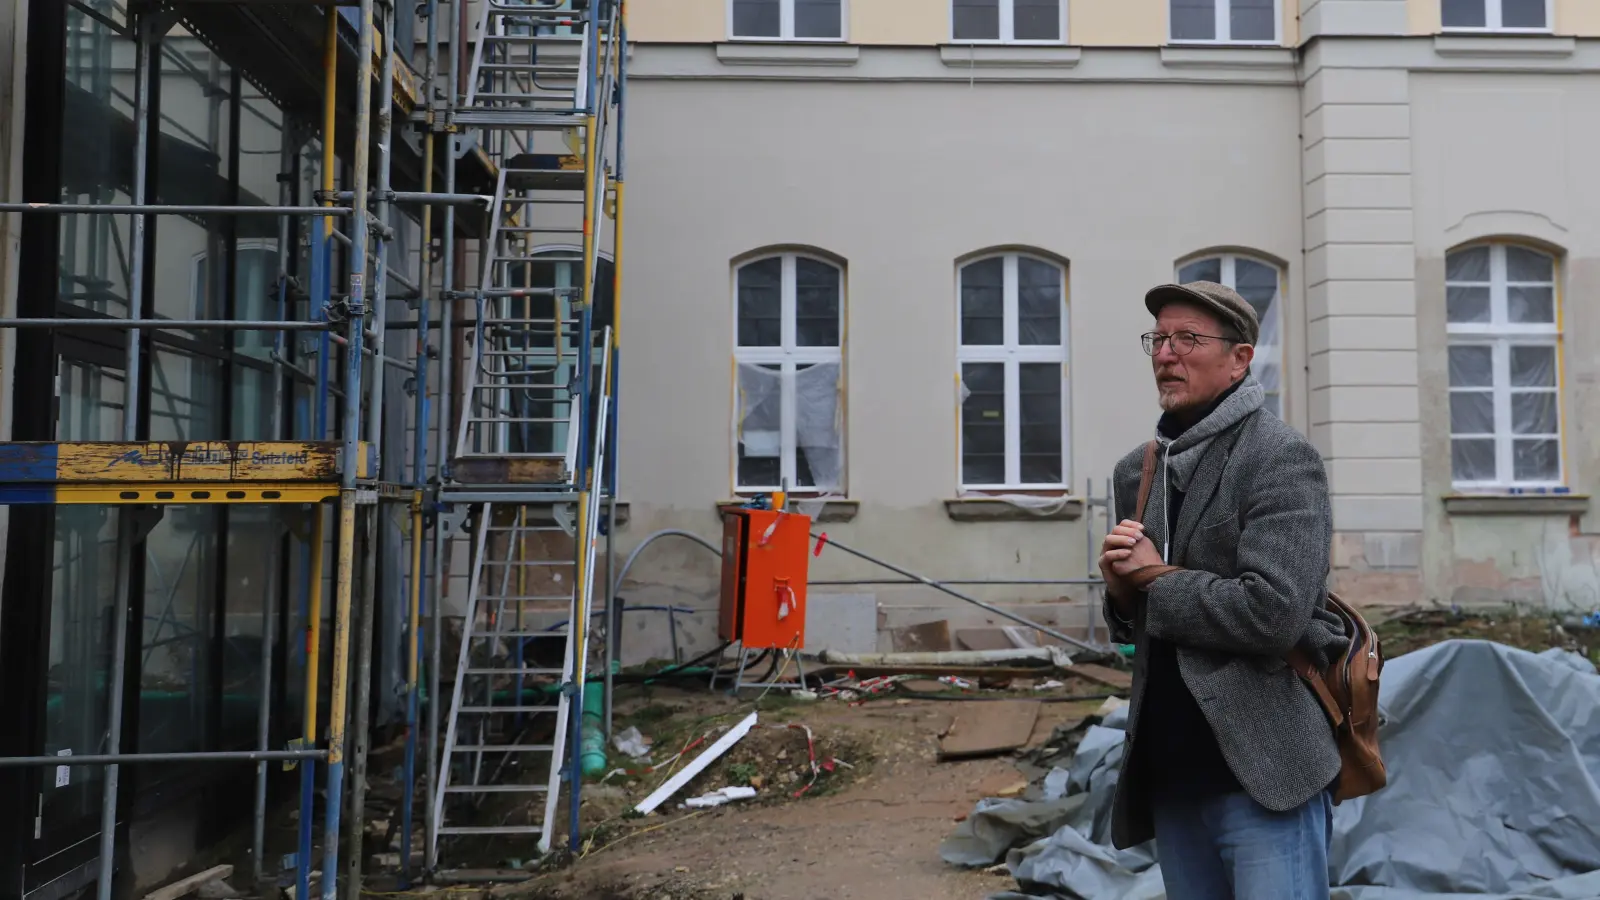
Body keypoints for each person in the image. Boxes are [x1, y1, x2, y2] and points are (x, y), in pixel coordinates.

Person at [1098, 280, 1350, 900]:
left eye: (1188, 338)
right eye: (1158, 339)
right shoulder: (1139, 470)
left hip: (1263, 774)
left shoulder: (1281, 457)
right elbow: (1140, 628)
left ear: (1239, 361)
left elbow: (1274, 613)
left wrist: (1154, 580)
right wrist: (1122, 595)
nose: (1166, 354)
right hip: (1173, 775)